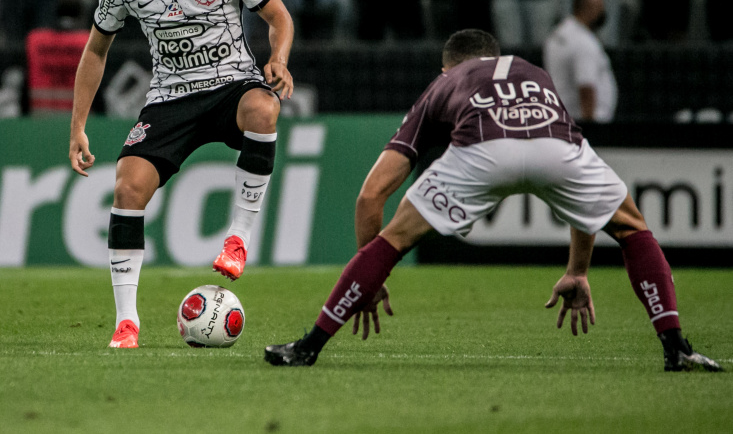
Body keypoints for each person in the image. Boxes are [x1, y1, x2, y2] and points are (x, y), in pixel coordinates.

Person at [265, 29, 722, 373]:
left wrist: (370, 277)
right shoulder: (533, 73)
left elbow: (372, 193)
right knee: (631, 227)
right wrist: (577, 269)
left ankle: (308, 347)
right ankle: (676, 348)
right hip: (555, 147)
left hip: (483, 151)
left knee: (398, 236)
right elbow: (585, 204)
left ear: (448, 68)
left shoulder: (445, 84)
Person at [68, 0, 295, 350]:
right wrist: (78, 127)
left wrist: (278, 59)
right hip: (170, 98)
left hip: (231, 84)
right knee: (127, 187)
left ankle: (238, 238)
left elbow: (278, 17)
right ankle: (126, 322)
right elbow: (94, 51)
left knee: (263, 109)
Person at [543, 0, 618, 122]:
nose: (603, 12)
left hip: (562, 119)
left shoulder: (558, 34)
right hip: (586, 122)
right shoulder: (583, 42)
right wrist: (588, 130)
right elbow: (586, 89)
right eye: (599, 7)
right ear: (588, 9)